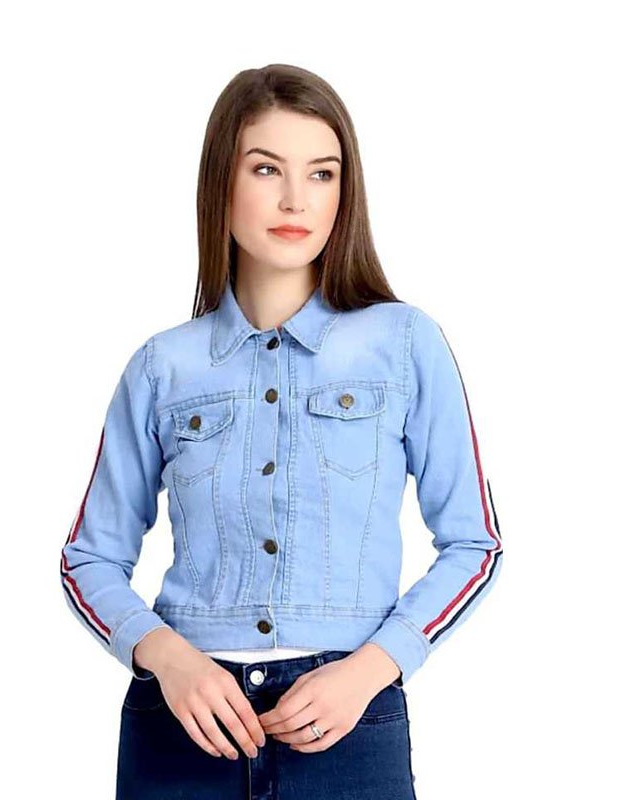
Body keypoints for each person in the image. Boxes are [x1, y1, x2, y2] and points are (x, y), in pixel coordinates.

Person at [60, 63, 503, 800]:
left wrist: (371, 669)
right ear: (221, 183)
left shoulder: (403, 344)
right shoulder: (162, 366)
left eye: (322, 173)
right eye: (267, 169)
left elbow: (475, 545)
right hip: (180, 728)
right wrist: (168, 657)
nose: (297, 199)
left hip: (347, 726)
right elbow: (88, 559)